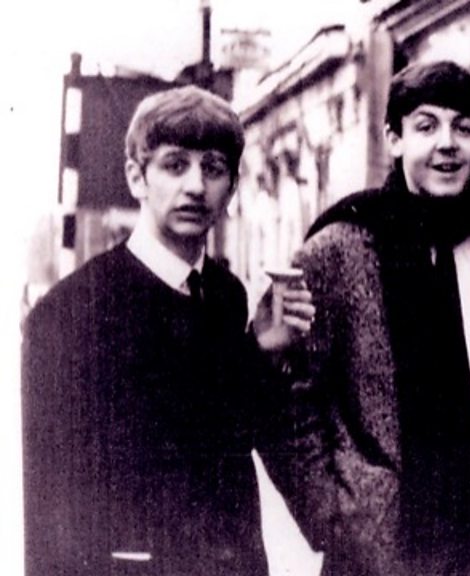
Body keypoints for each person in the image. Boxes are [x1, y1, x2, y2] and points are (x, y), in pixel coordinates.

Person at [264, 60, 470, 576]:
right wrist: (333, 516)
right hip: (384, 541)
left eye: (463, 129)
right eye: (426, 126)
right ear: (394, 139)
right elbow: (289, 399)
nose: (447, 144)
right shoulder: (334, 253)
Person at [21, 85, 314, 576]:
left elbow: (228, 435)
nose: (196, 186)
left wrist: (261, 353)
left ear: (232, 186)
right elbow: (47, 513)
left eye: (213, 168)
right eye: (175, 165)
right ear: (137, 177)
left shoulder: (224, 294)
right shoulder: (70, 311)